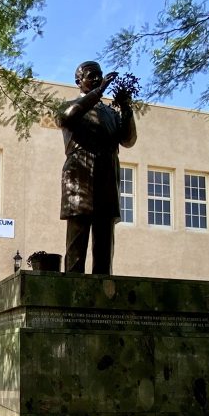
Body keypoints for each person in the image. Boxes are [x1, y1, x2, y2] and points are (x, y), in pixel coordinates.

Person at [56, 61, 137, 275]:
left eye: (99, 76)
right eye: (91, 75)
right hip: (79, 180)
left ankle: (103, 298)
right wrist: (99, 92)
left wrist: (126, 108)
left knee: (104, 249)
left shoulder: (110, 114)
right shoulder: (70, 106)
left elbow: (128, 140)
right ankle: (72, 297)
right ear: (78, 80)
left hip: (107, 179)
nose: (96, 79)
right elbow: (67, 117)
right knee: (76, 248)